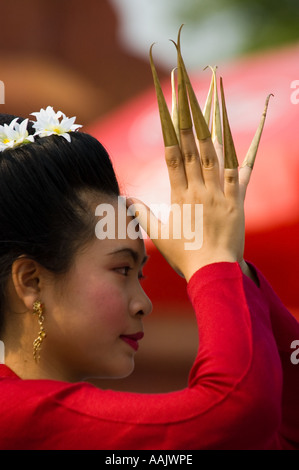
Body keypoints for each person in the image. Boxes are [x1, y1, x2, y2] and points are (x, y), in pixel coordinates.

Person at [0, 98, 298, 450]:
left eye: (139, 275)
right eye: (122, 269)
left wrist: (237, 269)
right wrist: (213, 266)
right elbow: (235, 412)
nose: (144, 304)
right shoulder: (12, 413)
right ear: (31, 281)